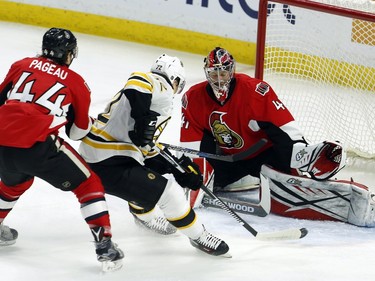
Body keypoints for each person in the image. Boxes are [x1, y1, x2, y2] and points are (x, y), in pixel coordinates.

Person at [180, 47, 375, 227]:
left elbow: (283, 130)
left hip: (264, 155)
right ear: (207, 73)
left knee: (287, 182)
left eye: (223, 73)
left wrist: (297, 157)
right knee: (189, 176)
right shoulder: (193, 98)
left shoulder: (254, 91)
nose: (219, 79)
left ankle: (310, 164)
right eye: (214, 73)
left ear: (231, 71)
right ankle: (239, 178)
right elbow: (194, 146)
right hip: (229, 159)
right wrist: (193, 175)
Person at [78, 54, 230, 257]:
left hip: (100, 158)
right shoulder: (159, 84)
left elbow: (146, 148)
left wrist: (177, 167)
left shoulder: (154, 99)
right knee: (170, 194)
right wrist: (142, 118)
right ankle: (199, 236)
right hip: (109, 161)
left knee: (148, 174)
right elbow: (137, 82)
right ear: (174, 78)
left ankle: (144, 217)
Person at [0, 28, 124, 269]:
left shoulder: (20, 65)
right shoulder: (77, 82)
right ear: (69, 54)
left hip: (1, 138)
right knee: (89, 185)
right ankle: (105, 246)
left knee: (16, 182)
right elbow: (76, 132)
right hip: (37, 143)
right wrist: (87, 122)